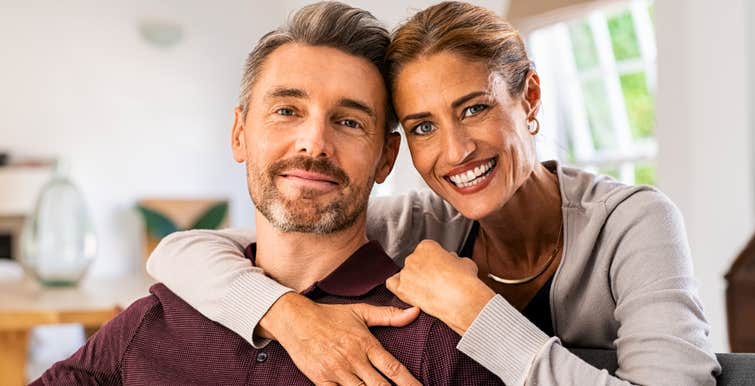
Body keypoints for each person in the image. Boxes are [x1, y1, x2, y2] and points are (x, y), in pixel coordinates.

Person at [147, 1, 722, 385]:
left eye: (474, 109)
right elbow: (180, 253)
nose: (454, 151)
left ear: (530, 99)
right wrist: (286, 314)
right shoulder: (419, 223)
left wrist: (480, 316)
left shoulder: (632, 224)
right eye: (422, 126)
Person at [31, 2, 504, 385]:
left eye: (349, 121)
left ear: (386, 157)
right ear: (239, 133)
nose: (314, 143)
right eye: (286, 110)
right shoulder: (151, 321)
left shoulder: (438, 341)